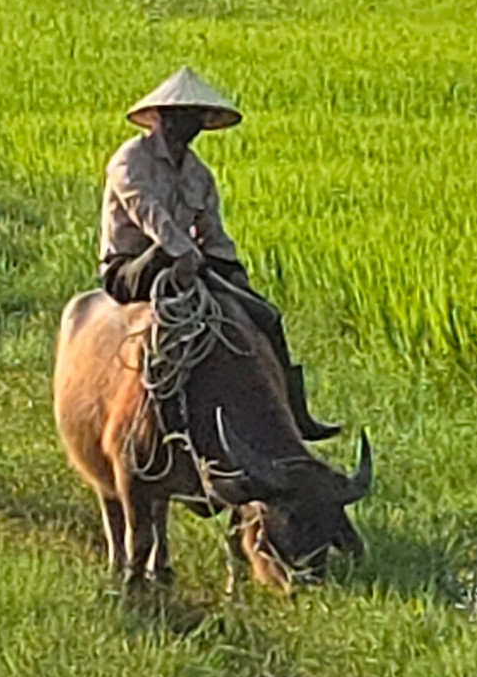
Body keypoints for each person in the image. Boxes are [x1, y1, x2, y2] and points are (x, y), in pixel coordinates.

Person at [98, 66, 341, 441]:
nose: (189, 125)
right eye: (182, 116)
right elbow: (148, 213)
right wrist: (181, 252)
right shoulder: (130, 160)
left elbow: (213, 233)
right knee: (168, 316)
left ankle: (294, 414)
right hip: (134, 265)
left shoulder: (199, 174)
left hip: (189, 263)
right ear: (162, 117)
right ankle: (162, 415)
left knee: (265, 316)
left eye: (195, 117)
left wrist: (232, 272)